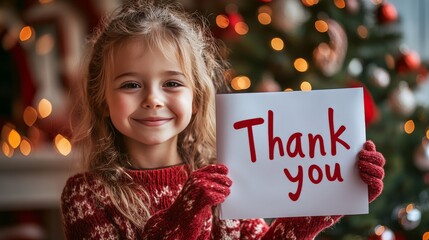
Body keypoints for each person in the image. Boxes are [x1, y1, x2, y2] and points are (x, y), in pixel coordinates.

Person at [60, 0, 386, 239]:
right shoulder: (86, 196)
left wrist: (333, 195)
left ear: (198, 97)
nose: (153, 99)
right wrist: (187, 212)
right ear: (102, 100)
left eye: (172, 83)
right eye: (131, 84)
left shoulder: (227, 179)